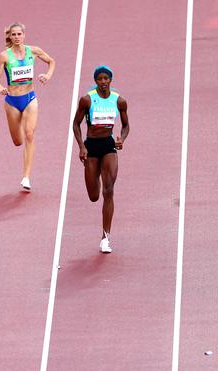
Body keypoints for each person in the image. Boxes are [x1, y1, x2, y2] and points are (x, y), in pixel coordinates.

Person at [73, 65, 129, 253]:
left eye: (106, 79)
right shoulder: (87, 100)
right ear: (96, 81)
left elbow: (126, 125)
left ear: (111, 80)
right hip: (91, 147)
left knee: (109, 190)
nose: (103, 82)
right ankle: (95, 174)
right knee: (94, 196)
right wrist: (81, 146)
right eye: (100, 79)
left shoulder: (119, 101)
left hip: (108, 146)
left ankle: (105, 237)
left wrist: (122, 138)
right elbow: (76, 123)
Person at [0, 22, 55, 191]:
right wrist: (0, 88)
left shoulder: (33, 51)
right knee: (17, 141)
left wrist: (48, 75)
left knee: (29, 135)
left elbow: (51, 61)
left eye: (19, 34)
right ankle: (19, 123)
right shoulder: (4, 56)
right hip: (12, 102)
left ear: (24, 35)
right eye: (13, 35)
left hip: (29, 98)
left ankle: (26, 177)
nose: (17, 37)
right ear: (10, 37)